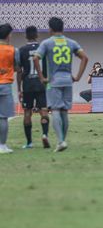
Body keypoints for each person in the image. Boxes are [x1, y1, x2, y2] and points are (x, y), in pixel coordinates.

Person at [35, 17, 88, 152]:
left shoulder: (47, 43)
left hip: (53, 81)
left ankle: (60, 141)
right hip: (67, 81)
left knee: (56, 110)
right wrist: (77, 76)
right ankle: (63, 139)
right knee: (65, 111)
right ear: (63, 28)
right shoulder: (71, 42)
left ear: (50, 29)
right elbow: (85, 58)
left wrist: (42, 77)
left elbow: (36, 58)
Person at [17, 26, 50, 149]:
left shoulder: (21, 50)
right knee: (43, 110)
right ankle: (45, 135)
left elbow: (19, 71)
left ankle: (29, 142)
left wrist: (19, 89)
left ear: (26, 36)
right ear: (37, 35)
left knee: (27, 112)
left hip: (27, 85)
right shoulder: (44, 49)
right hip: (41, 83)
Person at [0, 24, 19, 154]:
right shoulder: (13, 50)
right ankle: (2, 145)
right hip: (5, 85)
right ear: (8, 35)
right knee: (3, 117)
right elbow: (18, 68)